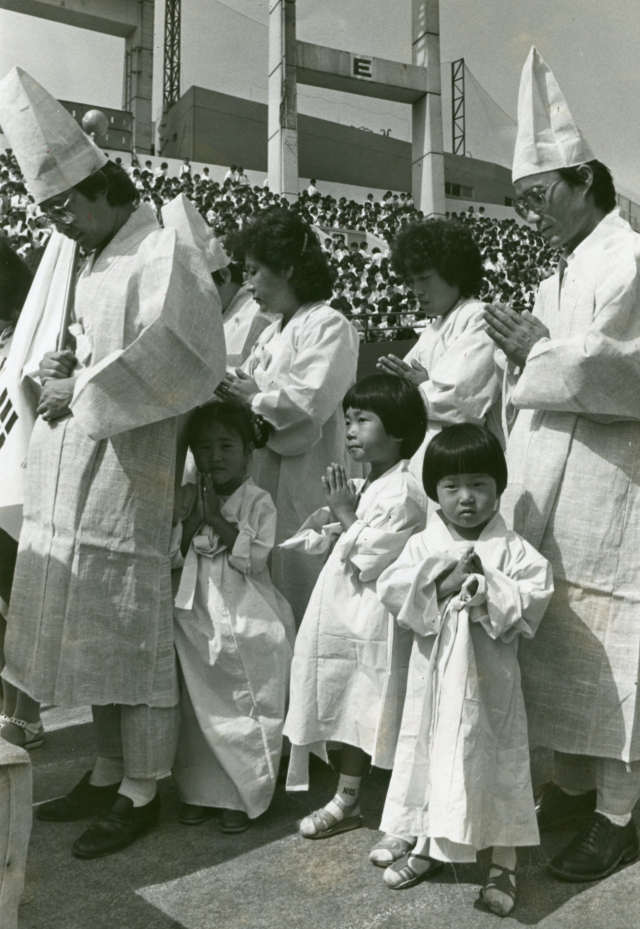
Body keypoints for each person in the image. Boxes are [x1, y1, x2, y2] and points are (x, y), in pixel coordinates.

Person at [0, 68, 226, 859]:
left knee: (130, 632)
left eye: (66, 205)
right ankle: (102, 768)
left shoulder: (163, 246)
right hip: (75, 466)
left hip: (131, 470)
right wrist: (72, 361)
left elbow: (184, 354)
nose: (60, 224)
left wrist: (85, 384)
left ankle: (141, 788)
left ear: (104, 185)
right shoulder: (91, 257)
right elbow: (104, 349)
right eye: (48, 210)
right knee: (85, 628)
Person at [483, 47, 640, 883]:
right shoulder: (559, 274)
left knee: (614, 643)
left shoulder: (631, 259)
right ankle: (574, 788)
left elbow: (627, 368)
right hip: (550, 480)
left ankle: (619, 810)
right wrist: (525, 362)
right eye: (521, 204)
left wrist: (543, 353)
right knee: (562, 642)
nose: (531, 215)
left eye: (538, 197)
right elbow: (539, 375)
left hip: (616, 483)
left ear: (582, 180)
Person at [375, 425, 553, 916]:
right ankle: (429, 846)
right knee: (430, 755)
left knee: (497, 764)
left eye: (478, 485)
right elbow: (394, 591)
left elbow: (531, 600)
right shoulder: (421, 544)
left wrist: (482, 583)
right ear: (435, 493)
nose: (466, 499)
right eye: (452, 488)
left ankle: (504, 862)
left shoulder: (515, 550)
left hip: (489, 684)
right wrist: (439, 580)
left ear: (498, 487)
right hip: (433, 679)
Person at [282, 375, 427, 837]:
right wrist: (335, 518)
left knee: (369, 701)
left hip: (376, 617)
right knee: (349, 699)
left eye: (363, 420)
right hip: (347, 612)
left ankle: (356, 799)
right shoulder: (371, 483)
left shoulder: (404, 490)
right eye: (348, 420)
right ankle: (349, 795)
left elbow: (372, 559)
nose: (350, 430)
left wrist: (345, 514)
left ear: (400, 430)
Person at [216, 209, 359, 623]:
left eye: (256, 271)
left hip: (307, 477)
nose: (249, 283)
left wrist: (253, 398)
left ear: (288, 269)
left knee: (302, 582)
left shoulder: (329, 325)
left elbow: (309, 405)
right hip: (265, 474)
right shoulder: (271, 331)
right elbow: (245, 383)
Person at [171, 403, 294, 833]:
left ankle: (242, 792)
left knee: (249, 689)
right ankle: (198, 791)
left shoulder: (257, 501)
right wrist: (193, 517)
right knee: (197, 703)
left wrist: (215, 519)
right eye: (204, 448)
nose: (215, 456)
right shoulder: (185, 494)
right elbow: (174, 553)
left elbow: (254, 558)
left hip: (246, 604)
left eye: (226, 446)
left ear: (247, 453)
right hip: (195, 609)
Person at [377, 219, 503, 493]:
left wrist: (418, 387)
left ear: (454, 273)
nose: (416, 290)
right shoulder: (434, 327)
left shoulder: (478, 316)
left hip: (464, 464)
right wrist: (413, 385)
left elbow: (461, 400)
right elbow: (403, 387)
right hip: (427, 454)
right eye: (411, 281)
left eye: (424, 279)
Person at [0, 237, 42, 749]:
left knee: (22, 610)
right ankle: (6, 706)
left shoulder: (30, 341)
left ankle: (26, 714)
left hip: (21, 494)